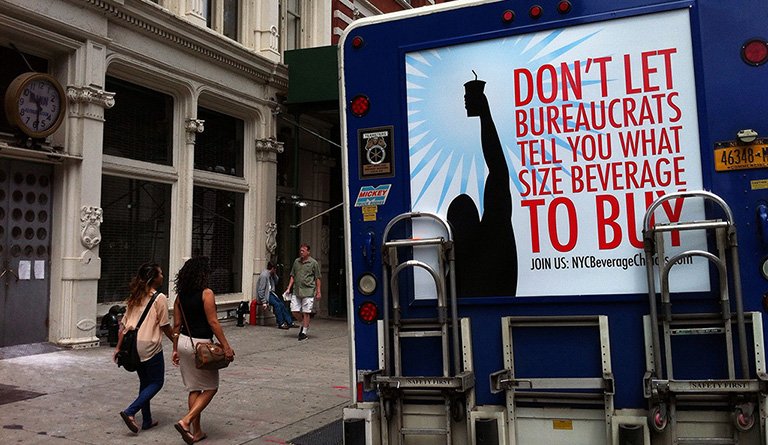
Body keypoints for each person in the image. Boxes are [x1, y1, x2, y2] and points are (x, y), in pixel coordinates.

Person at [447, 73, 517, 297]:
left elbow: (498, 172)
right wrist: (484, 114)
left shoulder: (455, 267)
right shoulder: (495, 236)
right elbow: (498, 171)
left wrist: (484, 114)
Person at [171, 257, 235, 444]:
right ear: (202, 274)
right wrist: (226, 346)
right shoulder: (207, 293)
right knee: (211, 387)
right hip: (201, 346)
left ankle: (196, 432)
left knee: (194, 388)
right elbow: (213, 322)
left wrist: (175, 349)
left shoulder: (180, 296)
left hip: (183, 342)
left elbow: (176, 325)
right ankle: (186, 421)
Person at [115, 262, 174, 434]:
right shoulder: (160, 298)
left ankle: (147, 420)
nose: (163, 276)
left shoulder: (135, 296)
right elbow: (165, 325)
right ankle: (131, 411)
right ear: (154, 278)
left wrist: (118, 347)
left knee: (145, 382)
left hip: (132, 344)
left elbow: (123, 324)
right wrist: (176, 342)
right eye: (160, 274)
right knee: (157, 382)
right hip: (149, 345)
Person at [285, 243, 322, 341]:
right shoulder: (296, 262)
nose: (301, 252)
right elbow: (292, 275)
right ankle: (304, 323)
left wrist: (318, 291)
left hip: (308, 290)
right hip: (297, 290)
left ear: (308, 252)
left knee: (306, 312)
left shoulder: (313, 263)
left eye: (303, 251)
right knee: (294, 310)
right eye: (300, 251)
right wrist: (288, 288)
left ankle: (304, 332)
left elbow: (317, 278)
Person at [256, 261, 296, 329]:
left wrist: (274, 274)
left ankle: (289, 322)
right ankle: (281, 323)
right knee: (277, 305)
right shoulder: (264, 275)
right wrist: (264, 301)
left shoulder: (271, 275)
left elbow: (276, 281)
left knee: (281, 304)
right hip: (267, 294)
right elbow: (261, 290)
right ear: (273, 269)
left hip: (271, 293)